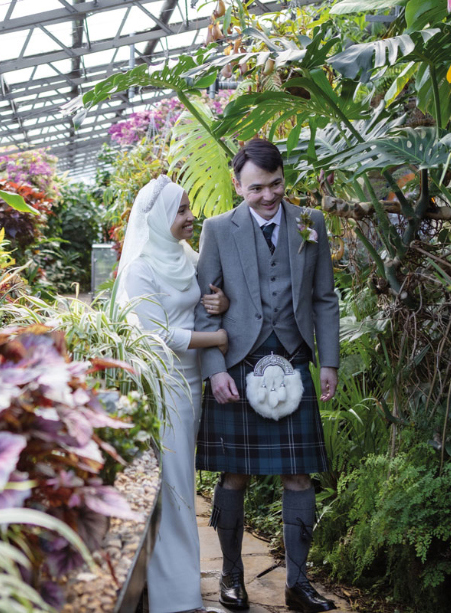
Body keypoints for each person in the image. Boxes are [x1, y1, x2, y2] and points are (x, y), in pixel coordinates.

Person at [193, 139, 340, 613]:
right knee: (234, 474)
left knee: (299, 476)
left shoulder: (310, 223)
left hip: (294, 358)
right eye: (257, 188)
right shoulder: (217, 229)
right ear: (238, 185)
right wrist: (214, 370)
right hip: (237, 362)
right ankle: (232, 577)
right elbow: (204, 302)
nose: (269, 195)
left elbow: (324, 298)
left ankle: (298, 584)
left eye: (276, 184)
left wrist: (330, 362)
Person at [117, 175, 229, 613]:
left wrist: (218, 305)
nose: (190, 216)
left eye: (188, 207)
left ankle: (176, 591)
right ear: (162, 217)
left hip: (192, 387)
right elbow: (158, 335)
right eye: (181, 210)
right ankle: (173, 600)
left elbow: (208, 297)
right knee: (174, 488)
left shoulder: (184, 255)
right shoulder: (139, 268)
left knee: (182, 485)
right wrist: (217, 337)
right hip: (163, 388)